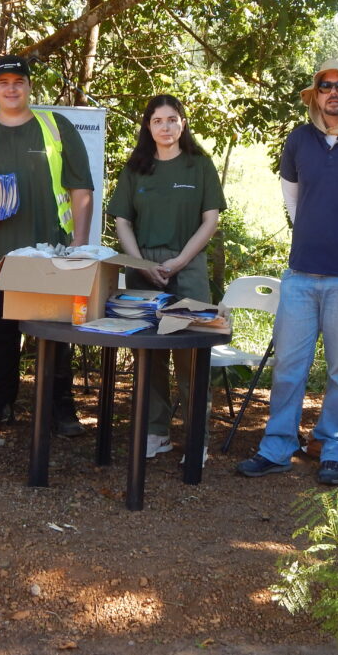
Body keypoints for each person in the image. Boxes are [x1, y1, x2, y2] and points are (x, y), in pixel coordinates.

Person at [236, 59, 338, 485]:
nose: (334, 94)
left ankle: (335, 447)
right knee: (288, 366)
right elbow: (293, 202)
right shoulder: (299, 140)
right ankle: (277, 447)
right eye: (326, 86)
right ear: (316, 94)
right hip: (300, 275)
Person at [0, 54, 94, 436]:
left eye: (19, 81)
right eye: (3, 82)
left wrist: (79, 244)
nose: (11, 88)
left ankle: (61, 409)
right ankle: (0, 405)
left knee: (56, 335)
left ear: (29, 86)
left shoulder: (55, 127)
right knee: (0, 337)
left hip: (51, 254)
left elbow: (81, 188)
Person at [107, 95, 227, 461]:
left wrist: (179, 262)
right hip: (143, 268)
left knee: (191, 354)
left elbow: (210, 220)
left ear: (183, 124)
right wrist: (140, 263)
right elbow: (121, 221)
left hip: (187, 267)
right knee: (148, 354)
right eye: (158, 121)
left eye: (172, 119)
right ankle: (156, 432)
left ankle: (196, 439)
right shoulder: (136, 168)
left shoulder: (199, 166)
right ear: (148, 127)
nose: (166, 127)